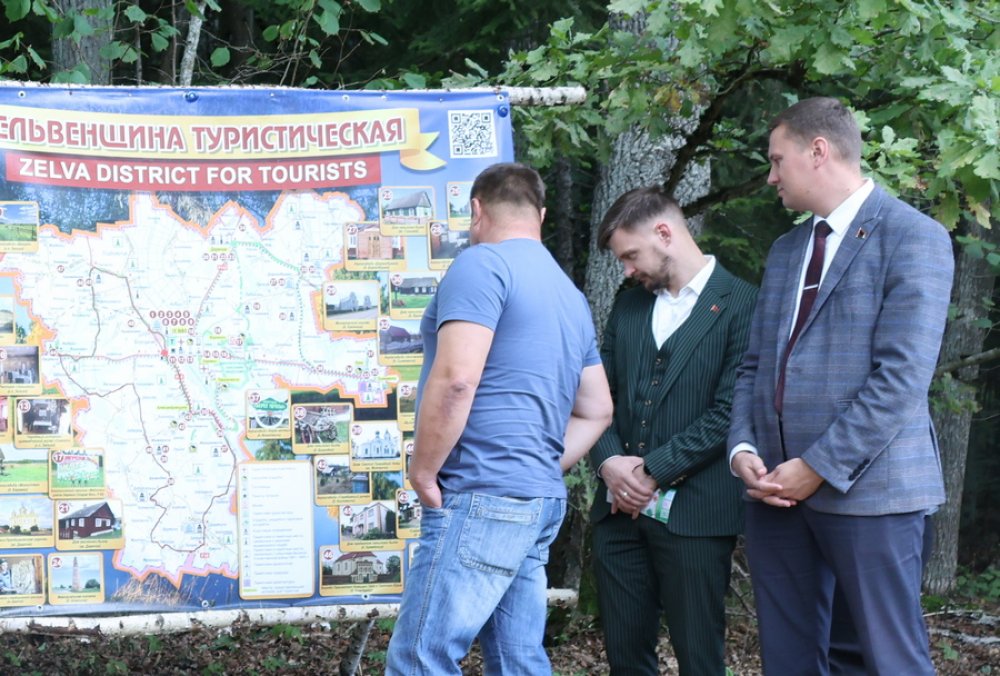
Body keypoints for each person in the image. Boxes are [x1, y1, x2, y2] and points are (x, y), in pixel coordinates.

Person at [727, 96, 954, 674]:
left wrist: (817, 467)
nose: (771, 176)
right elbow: (754, 367)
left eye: (777, 160)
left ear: (818, 151)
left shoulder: (914, 236)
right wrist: (743, 448)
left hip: (873, 494)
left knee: (887, 662)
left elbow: (900, 379)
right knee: (790, 662)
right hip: (775, 495)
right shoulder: (785, 252)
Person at [385, 162, 613, 675]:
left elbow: (457, 380)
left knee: (420, 657)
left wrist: (423, 471)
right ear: (541, 215)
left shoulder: (481, 265)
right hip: (537, 500)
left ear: (476, 209)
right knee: (517, 660)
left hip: (479, 491)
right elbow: (598, 408)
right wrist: (538, 465)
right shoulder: (569, 295)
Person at [589, 187, 757, 675]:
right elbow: (598, 396)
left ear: (664, 233)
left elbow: (730, 410)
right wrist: (609, 463)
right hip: (618, 515)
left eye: (630, 255)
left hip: (697, 516)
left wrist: (651, 472)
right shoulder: (629, 305)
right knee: (625, 660)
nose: (626, 270)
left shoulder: (744, 303)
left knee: (699, 659)